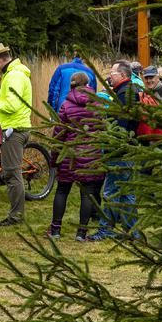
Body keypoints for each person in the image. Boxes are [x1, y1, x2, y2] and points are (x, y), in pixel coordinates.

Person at [48, 72, 103, 241]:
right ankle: (81, 233)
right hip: (91, 154)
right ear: (88, 84)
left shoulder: (66, 105)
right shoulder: (98, 104)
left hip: (69, 153)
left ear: (71, 85)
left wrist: (55, 157)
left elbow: (59, 133)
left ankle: (55, 230)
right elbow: (103, 129)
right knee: (87, 193)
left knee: (62, 190)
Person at [94, 61, 141, 240]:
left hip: (119, 149)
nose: (109, 76)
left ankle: (105, 230)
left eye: (112, 73)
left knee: (111, 191)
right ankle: (133, 232)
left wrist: (113, 143)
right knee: (126, 192)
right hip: (127, 148)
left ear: (122, 75)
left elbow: (122, 125)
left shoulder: (125, 94)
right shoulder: (128, 91)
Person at [0, 43, 33, 227]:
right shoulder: (12, 73)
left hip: (14, 129)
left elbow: (12, 105)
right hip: (15, 128)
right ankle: (16, 215)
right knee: (11, 173)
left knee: (13, 175)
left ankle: (15, 217)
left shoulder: (14, 75)